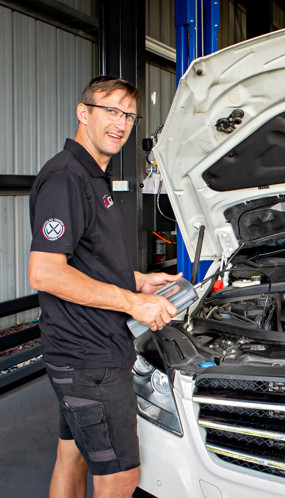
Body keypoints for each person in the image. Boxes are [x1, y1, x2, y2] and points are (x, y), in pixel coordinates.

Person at [28, 76, 180, 498]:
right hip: (89, 358)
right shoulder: (67, 178)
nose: (121, 123)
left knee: (72, 456)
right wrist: (133, 302)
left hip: (78, 351)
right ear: (84, 113)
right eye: (111, 111)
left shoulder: (92, 176)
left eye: (129, 115)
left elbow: (86, 260)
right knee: (120, 477)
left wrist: (139, 281)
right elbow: (45, 272)